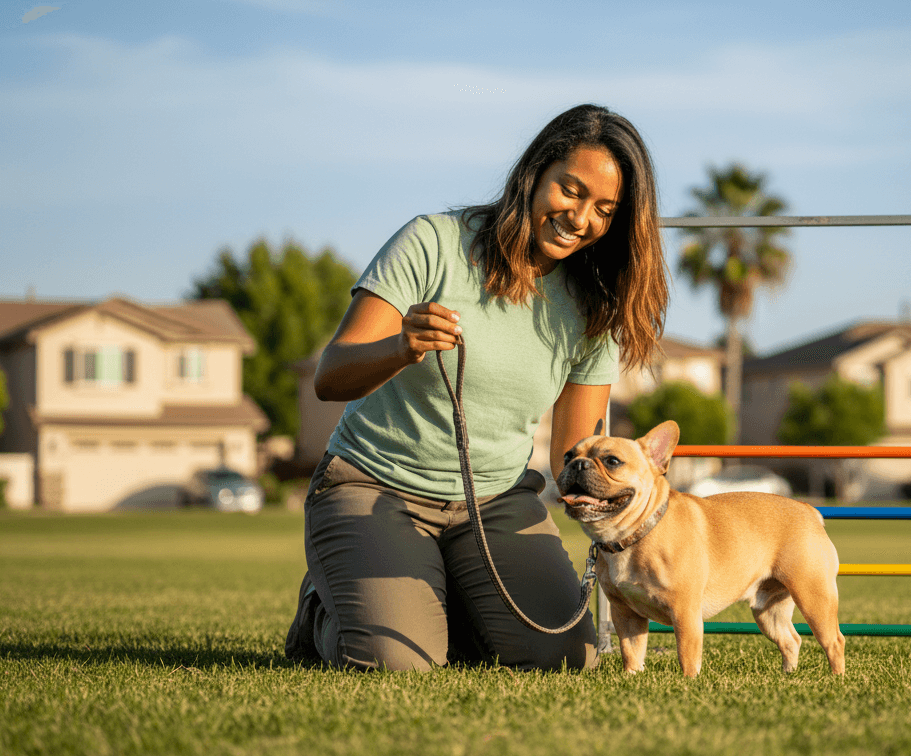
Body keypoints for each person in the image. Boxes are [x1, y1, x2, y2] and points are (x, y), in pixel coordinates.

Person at [284, 104, 668, 672]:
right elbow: (329, 376)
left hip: (494, 503)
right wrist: (402, 346)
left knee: (566, 655)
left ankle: (438, 601)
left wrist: (629, 507)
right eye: (571, 189)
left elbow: (575, 454)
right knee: (398, 664)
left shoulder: (594, 307)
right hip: (373, 488)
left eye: (604, 210)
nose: (580, 217)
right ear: (535, 171)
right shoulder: (432, 242)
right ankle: (322, 610)